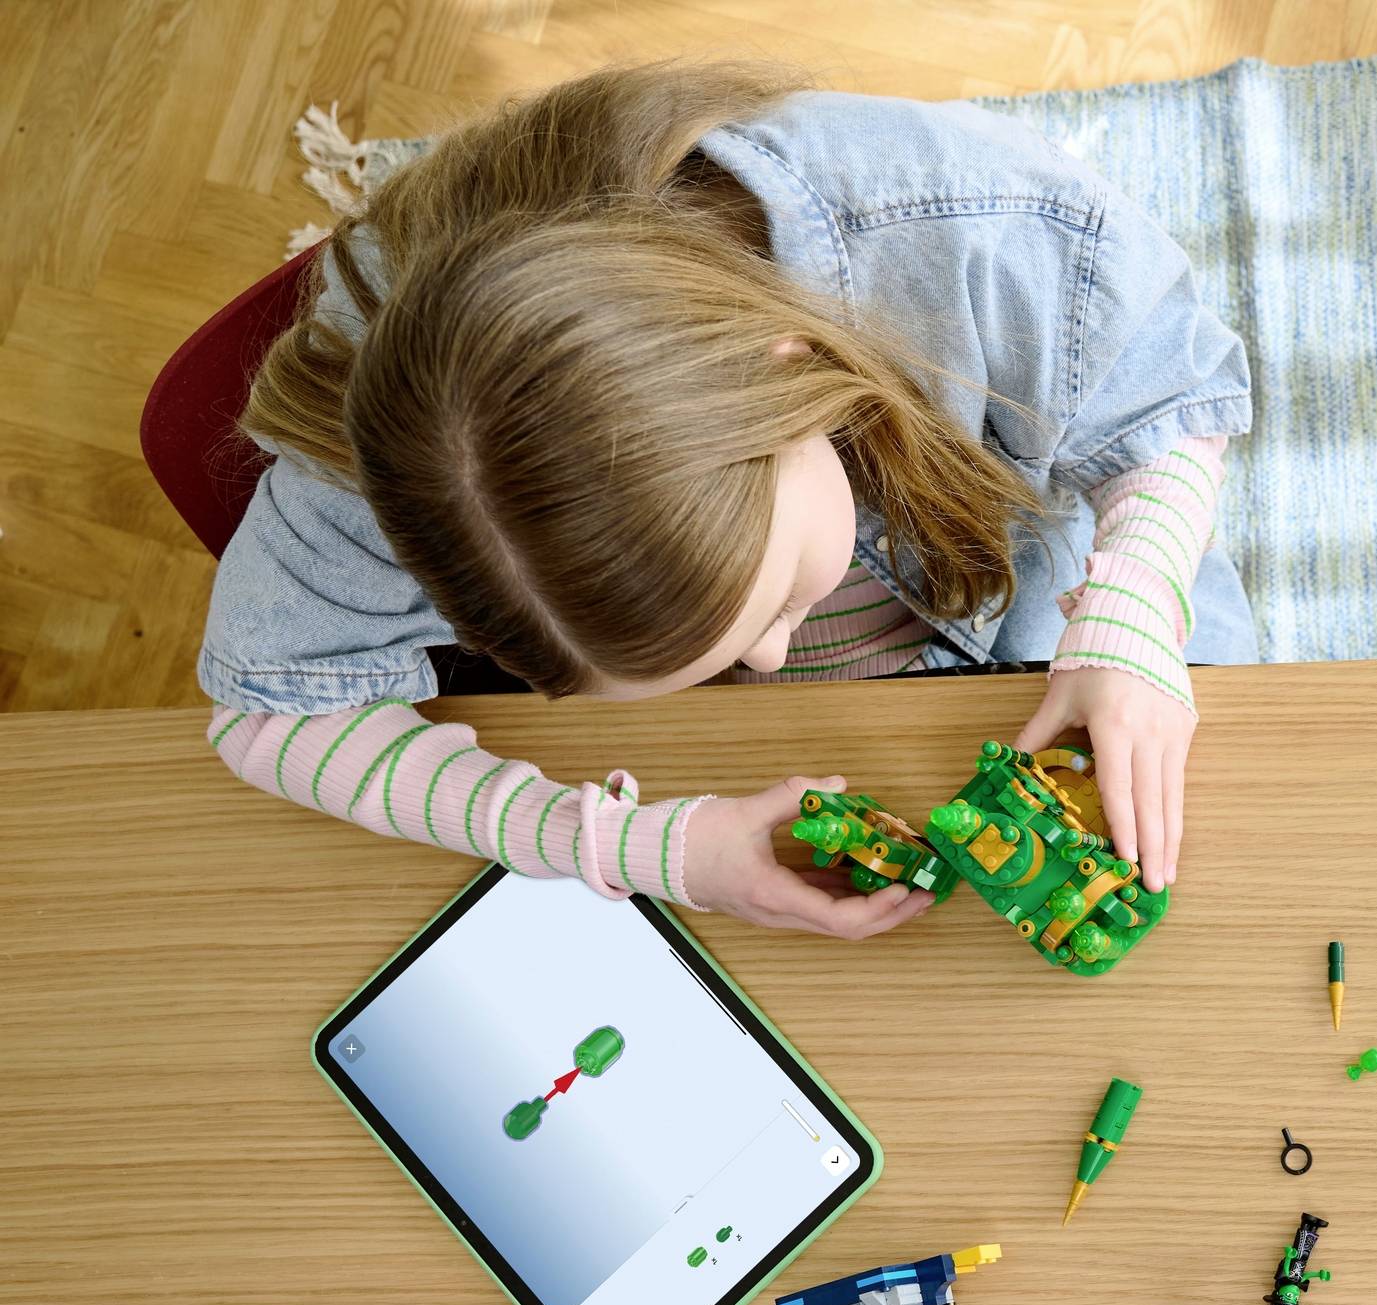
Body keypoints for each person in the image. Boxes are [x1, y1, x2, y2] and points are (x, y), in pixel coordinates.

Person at [201, 60, 1250, 934]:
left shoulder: (956, 217)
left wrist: (1136, 605)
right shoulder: (392, 461)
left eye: (782, 600)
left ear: (788, 369)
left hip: (1053, 602)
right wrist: (637, 844)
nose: (773, 666)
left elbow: (1173, 393)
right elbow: (267, 714)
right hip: (728, 777)